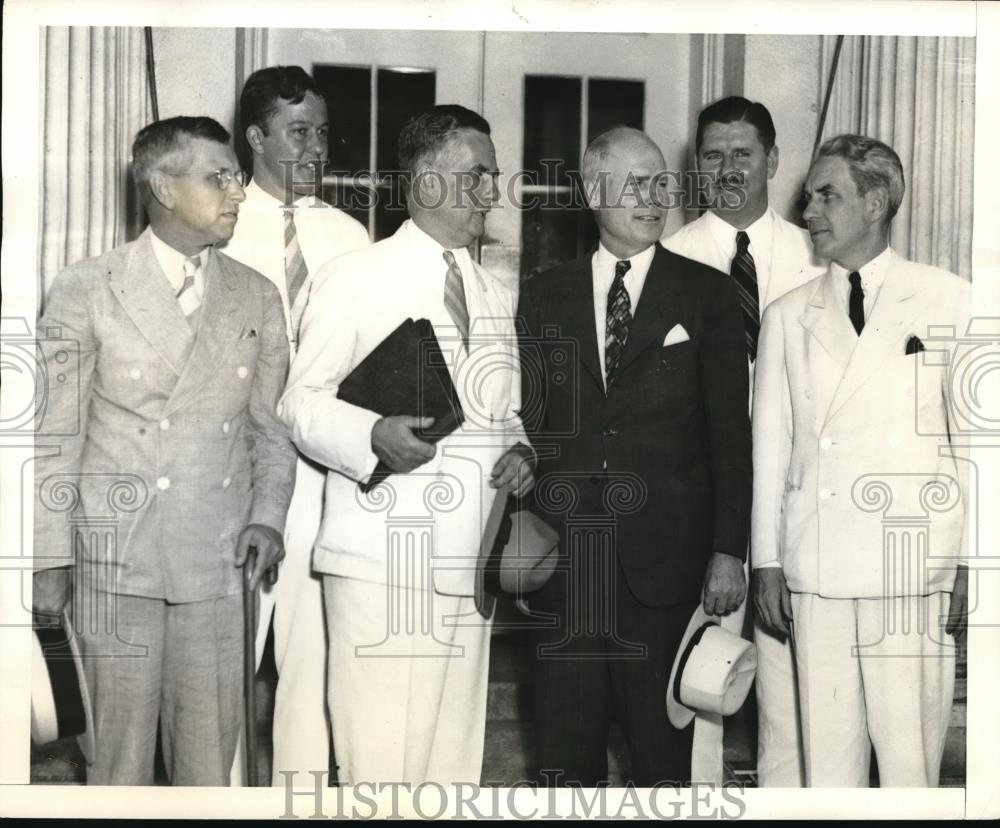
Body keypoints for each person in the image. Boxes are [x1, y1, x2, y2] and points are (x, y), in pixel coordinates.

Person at [32, 116, 296, 785]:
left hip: (217, 560)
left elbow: (271, 428)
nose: (238, 191)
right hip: (116, 565)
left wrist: (269, 515)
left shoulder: (257, 294)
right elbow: (55, 436)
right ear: (163, 187)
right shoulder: (86, 287)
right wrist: (47, 557)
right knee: (115, 763)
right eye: (219, 177)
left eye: (237, 176)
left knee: (208, 763)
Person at [278, 104, 534, 784]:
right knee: (380, 770)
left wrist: (521, 451)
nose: (492, 192)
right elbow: (298, 403)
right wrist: (372, 436)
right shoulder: (355, 277)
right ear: (426, 184)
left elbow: (504, 414)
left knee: (453, 771)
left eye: (494, 176)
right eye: (478, 176)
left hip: (469, 564)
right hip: (382, 564)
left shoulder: (491, 290)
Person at [517, 126, 752, 786]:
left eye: (661, 183)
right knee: (565, 760)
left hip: (666, 573)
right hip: (568, 570)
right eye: (636, 184)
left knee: (662, 760)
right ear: (594, 191)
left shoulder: (706, 295)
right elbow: (530, 423)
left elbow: (730, 434)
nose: (656, 197)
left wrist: (728, 548)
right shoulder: (542, 295)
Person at [751, 134, 969, 787]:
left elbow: (981, 445)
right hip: (816, 569)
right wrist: (767, 561)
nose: (809, 211)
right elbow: (772, 449)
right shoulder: (787, 314)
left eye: (827, 195)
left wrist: (977, 562)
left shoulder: (948, 300)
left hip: (911, 568)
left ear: (875, 203)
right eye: (809, 196)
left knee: (909, 768)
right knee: (828, 768)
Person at [662, 95, 825, 786]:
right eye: (713, 155)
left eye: (742, 154)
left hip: (797, 499)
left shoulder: (818, 256)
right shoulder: (666, 259)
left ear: (773, 158)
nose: (727, 168)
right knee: (702, 677)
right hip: (703, 501)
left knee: (793, 685)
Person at [221, 64, 370, 786]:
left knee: (312, 660)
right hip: (240, 480)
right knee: (227, 661)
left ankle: (301, 798)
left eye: (323, 133)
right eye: (298, 132)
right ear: (255, 136)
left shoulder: (350, 235)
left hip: (323, 476)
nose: (317, 149)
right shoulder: (217, 222)